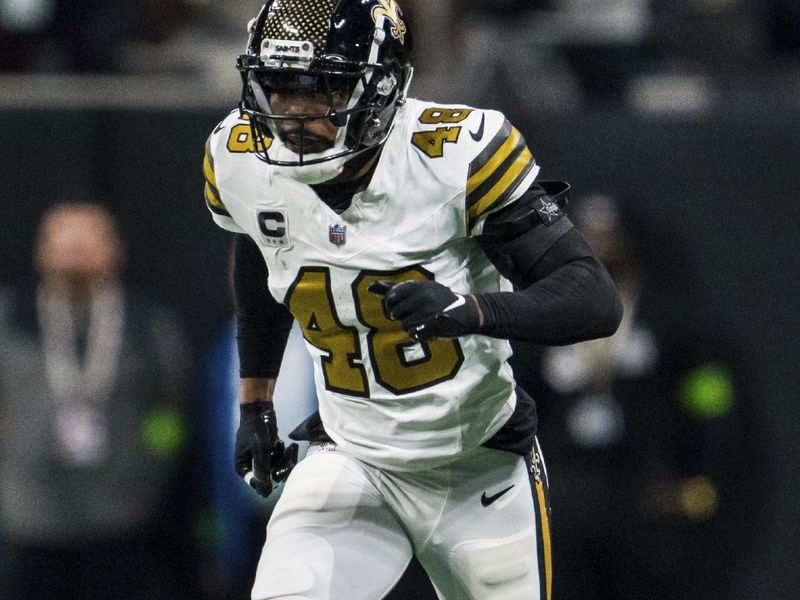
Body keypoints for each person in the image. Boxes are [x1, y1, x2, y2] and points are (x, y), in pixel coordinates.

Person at [202, 1, 622, 598]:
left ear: (382, 86)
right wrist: (255, 402)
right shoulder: (239, 156)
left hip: (478, 464)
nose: (296, 115)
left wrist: (470, 311)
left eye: (324, 89)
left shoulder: (455, 153)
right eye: (280, 88)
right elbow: (263, 251)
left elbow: (593, 297)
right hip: (352, 459)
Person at [0, 202, 193, 600]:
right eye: (62, 236)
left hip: (119, 526)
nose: (74, 246)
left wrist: (148, 480)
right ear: (39, 249)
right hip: (27, 521)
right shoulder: (8, 321)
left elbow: (169, 417)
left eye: (88, 236)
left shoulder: (149, 329)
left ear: (115, 249)